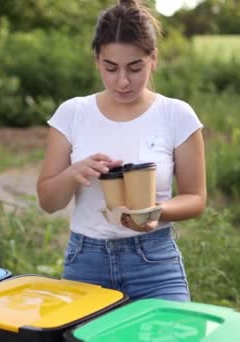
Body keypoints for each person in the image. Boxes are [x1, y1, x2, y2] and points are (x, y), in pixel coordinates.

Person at [36, 0, 206, 302]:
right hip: (86, 263)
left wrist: (155, 212)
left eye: (135, 67)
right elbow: (48, 201)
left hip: (155, 264)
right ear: (97, 61)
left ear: (152, 58)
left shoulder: (177, 115)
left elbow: (196, 199)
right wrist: (74, 174)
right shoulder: (72, 113)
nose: (123, 81)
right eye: (111, 68)